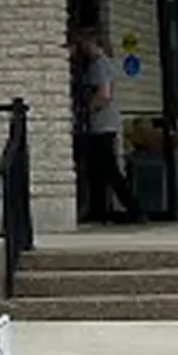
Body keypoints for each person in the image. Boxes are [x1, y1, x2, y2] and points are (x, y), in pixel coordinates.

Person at [72, 27, 144, 224]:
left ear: (93, 42)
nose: (82, 48)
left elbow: (104, 94)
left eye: (84, 43)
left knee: (108, 169)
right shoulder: (103, 64)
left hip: (101, 125)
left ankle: (133, 209)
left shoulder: (99, 65)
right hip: (103, 124)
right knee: (96, 170)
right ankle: (98, 210)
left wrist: (85, 110)